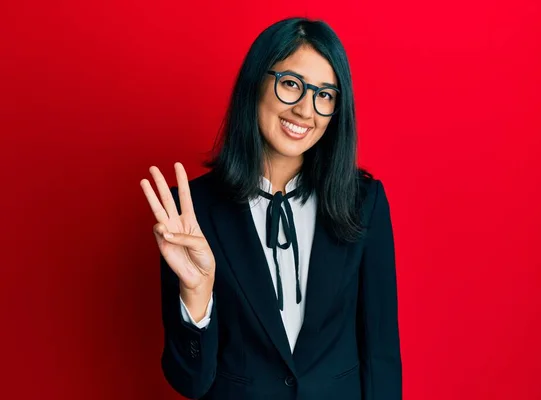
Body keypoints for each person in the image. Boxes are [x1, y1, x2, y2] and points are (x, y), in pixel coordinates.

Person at [140, 17, 402, 400]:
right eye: (291, 85)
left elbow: (381, 354)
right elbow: (190, 381)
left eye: (325, 95)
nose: (305, 110)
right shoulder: (190, 212)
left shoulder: (365, 203)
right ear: (255, 84)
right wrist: (196, 296)